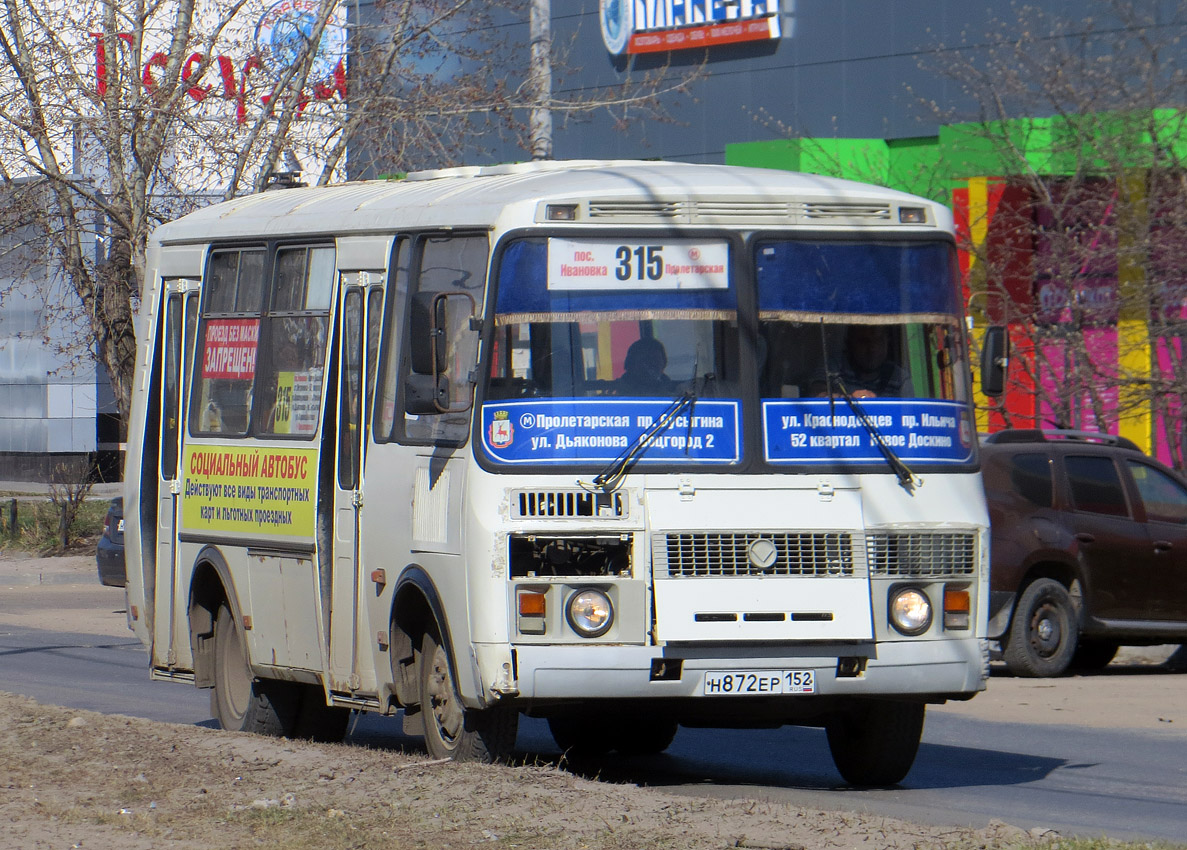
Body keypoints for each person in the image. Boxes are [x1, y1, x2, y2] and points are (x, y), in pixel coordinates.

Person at [814, 324, 911, 399]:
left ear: (887, 341)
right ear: (850, 343)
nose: (872, 348)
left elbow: (911, 415)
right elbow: (816, 395)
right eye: (864, 341)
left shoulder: (900, 378)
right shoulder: (833, 367)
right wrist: (849, 399)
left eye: (878, 340)